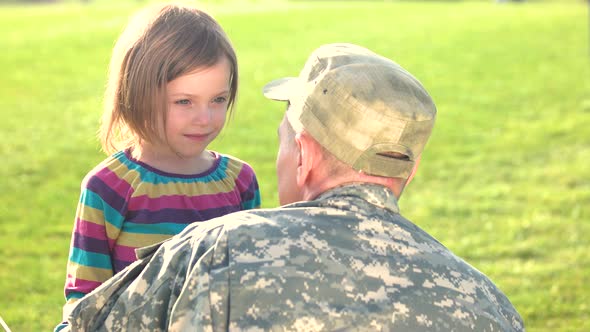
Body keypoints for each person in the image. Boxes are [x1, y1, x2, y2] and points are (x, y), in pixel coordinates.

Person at [62, 43, 524, 331]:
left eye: (285, 138)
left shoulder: (215, 250)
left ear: (303, 156)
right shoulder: (490, 305)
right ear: (412, 166)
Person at [56, 2, 261, 330]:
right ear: (138, 94)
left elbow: (250, 286)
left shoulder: (240, 182)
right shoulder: (109, 188)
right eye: (184, 101)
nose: (204, 119)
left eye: (218, 100)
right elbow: (85, 301)